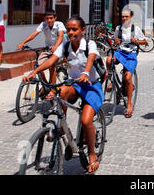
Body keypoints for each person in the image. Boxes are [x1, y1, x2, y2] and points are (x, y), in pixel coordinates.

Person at [23, 16, 103, 174]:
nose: (71, 32)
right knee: (61, 92)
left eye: (75, 29)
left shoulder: (89, 44)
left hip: (91, 84)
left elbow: (91, 58)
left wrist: (86, 72)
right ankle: (62, 127)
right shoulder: (66, 45)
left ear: (82, 30)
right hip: (75, 83)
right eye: (69, 29)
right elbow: (52, 60)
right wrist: (34, 72)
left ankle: (92, 154)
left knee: (86, 120)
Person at [106, 9, 147, 118]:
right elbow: (115, 40)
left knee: (128, 78)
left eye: (126, 17)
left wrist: (136, 41)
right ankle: (112, 80)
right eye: (123, 16)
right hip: (120, 52)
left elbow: (144, 41)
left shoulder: (136, 29)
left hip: (131, 54)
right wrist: (116, 42)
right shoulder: (119, 28)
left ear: (131, 17)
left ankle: (129, 103)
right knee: (109, 60)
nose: (124, 18)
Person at [17, 10, 66, 84]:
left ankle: (52, 91)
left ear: (55, 18)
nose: (49, 20)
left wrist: (56, 46)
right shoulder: (43, 24)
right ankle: (46, 86)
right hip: (48, 49)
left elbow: (61, 36)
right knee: (39, 66)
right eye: (47, 18)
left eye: (51, 18)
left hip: (60, 48)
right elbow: (34, 34)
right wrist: (23, 42)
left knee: (51, 66)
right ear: (44, 19)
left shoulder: (59, 24)